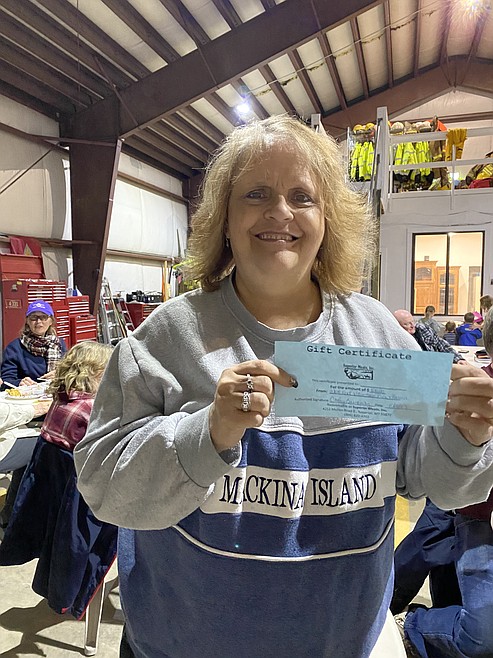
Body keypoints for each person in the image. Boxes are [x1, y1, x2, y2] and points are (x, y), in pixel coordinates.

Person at [74, 116, 493, 658]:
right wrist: (208, 433)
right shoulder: (165, 339)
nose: (280, 212)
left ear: (327, 220)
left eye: (302, 197)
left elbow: (433, 482)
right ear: (225, 220)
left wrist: (466, 437)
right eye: (256, 194)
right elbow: (102, 485)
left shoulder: (378, 333)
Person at [393, 307, 493, 658]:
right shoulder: (472, 389)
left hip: (461, 506)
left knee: (425, 549)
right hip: (469, 510)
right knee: (423, 547)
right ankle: (406, 622)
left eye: (410, 324)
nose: (409, 327)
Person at [0, 341, 115, 618]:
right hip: (84, 507)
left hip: (55, 501)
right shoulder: (93, 412)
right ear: (94, 373)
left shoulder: (61, 401)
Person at [1, 300, 67, 389]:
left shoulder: (60, 344)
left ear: (51, 321)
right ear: (27, 321)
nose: (38, 321)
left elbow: (71, 371)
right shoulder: (14, 348)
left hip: (55, 392)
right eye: (33, 317)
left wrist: (59, 375)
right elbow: (6, 380)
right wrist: (19, 383)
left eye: (43, 317)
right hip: (27, 394)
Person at [393, 309, 463, 363]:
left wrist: (458, 358)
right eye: (407, 324)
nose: (412, 326)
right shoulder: (394, 340)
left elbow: (440, 343)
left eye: (413, 321)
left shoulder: (422, 329)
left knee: (465, 368)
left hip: (435, 363)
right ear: (397, 326)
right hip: (417, 367)